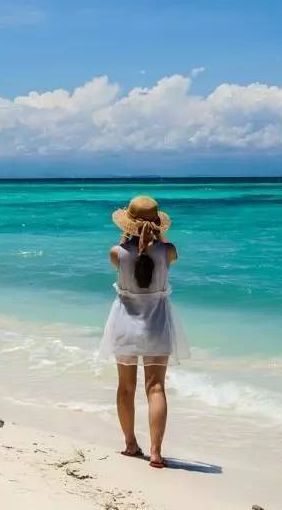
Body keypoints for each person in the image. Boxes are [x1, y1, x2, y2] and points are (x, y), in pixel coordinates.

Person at [99, 195, 189, 469]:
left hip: (124, 324)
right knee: (156, 387)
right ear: (157, 224)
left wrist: (129, 236)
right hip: (157, 325)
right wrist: (157, 236)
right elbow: (163, 252)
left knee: (126, 387)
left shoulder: (116, 252)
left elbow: (131, 254)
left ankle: (130, 444)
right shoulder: (168, 250)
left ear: (128, 224)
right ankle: (155, 452)